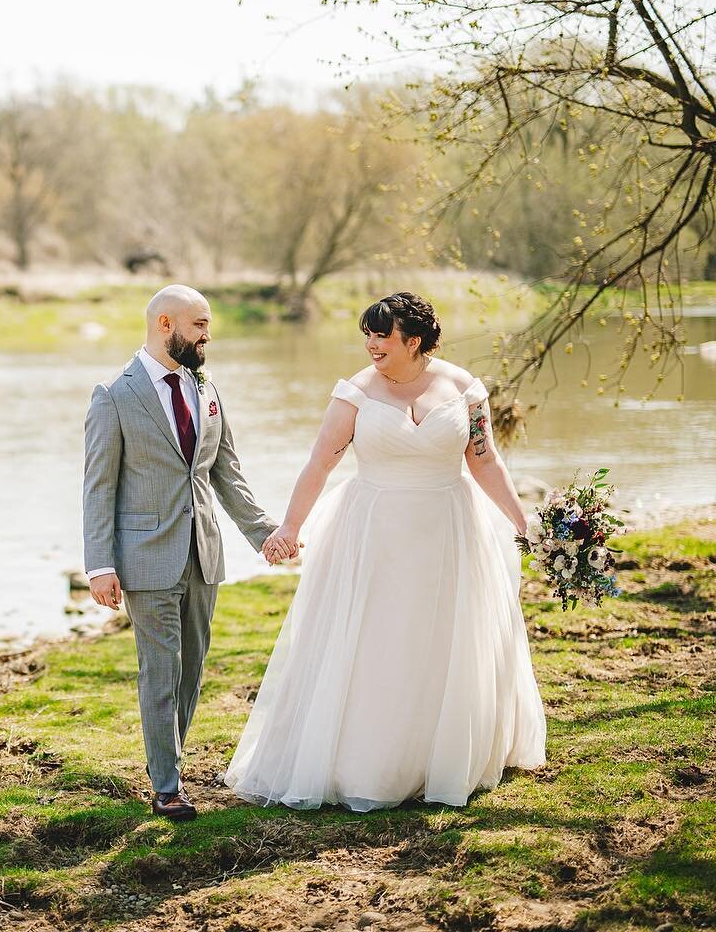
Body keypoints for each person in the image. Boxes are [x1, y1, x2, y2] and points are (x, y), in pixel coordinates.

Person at [226, 291, 546, 810]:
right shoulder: (355, 392)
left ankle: (440, 756)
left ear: (413, 341)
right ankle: (367, 762)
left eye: (382, 335)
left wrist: (522, 521)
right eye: (368, 335)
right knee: (380, 638)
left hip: (449, 525)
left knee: (445, 635)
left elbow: (485, 463)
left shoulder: (464, 388)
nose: (372, 345)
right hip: (375, 531)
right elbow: (319, 464)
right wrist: (289, 525)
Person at [83, 284, 291, 822]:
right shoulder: (114, 395)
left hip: (204, 552)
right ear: (166, 323)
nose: (207, 336)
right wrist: (100, 566)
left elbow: (228, 472)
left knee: (192, 666)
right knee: (160, 667)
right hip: (146, 557)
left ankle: (168, 761)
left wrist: (265, 533)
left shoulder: (207, 388)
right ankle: (167, 783)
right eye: (199, 326)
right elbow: (98, 487)